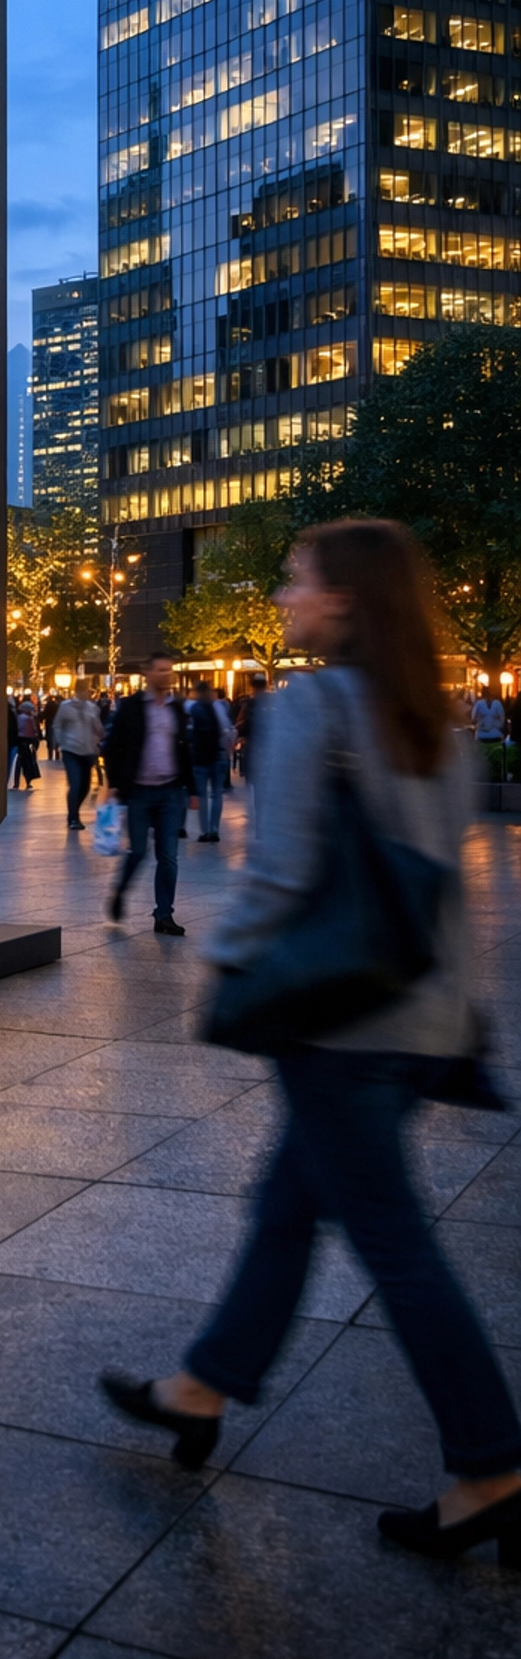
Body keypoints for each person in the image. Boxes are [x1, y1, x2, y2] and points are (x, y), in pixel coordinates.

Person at [99, 519, 521, 1565]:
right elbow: (442, 887)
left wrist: (227, 967)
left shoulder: (316, 705)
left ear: (344, 599)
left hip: (338, 1022)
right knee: (288, 1204)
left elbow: (281, 872)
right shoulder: (441, 719)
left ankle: (493, 1463)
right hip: (417, 1016)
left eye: (296, 581)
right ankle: (200, 1389)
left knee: (392, 1238)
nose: (285, 599)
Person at [104, 649, 197, 935]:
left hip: (170, 791)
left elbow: (184, 750)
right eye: (160, 670)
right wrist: (116, 783)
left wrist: (192, 789)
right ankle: (119, 892)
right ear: (147, 673)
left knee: (168, 856)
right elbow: (111, 746)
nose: (166, 675)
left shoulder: (177, 708)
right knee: (139, 851)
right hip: (139, 792)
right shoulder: (130, 707)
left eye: (169, 670)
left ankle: (164, 914)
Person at [52, 679, 104, 829]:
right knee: (75, 783)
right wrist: (61, 742)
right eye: (83, 690)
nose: (85, 693)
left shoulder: (92, 708)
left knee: (85, 786)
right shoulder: (66, 707)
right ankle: (73, 818)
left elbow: (98, 729)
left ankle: (75, 811)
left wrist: (98, 734)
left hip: (87, 750)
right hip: (71, 749)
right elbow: (58, 725)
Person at [188, 677, 230, 843]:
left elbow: (189, 733)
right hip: (217, 756)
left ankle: (204, 831)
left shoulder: (192, 708)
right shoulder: (218, 707)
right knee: (217, 793)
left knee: (202, 795)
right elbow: (226, 729)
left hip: (199, 757)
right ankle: (215, 829)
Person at [10, 694, 41, 791]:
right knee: (28, 761)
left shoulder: (19, 714)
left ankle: (16, 783)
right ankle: (28, 782)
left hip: (20, 739)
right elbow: (34, 729)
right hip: (29, 740)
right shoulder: (30, 716)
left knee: (19, 762)